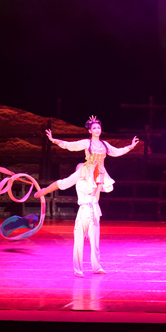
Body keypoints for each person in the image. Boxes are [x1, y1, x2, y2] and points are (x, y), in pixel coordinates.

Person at [35, 115, 139, 276]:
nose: (97, 130)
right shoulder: (85, 150)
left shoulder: (104, 145)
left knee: (95, 239)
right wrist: (54, 140)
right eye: (94, 128)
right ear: (90, 131)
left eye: (99, 127)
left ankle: (96, 266)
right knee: (79, 239)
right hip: (87, 193)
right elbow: (70, 146)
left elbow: (116, 151)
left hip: (98, 181)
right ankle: (78, 269)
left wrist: (130, 147)